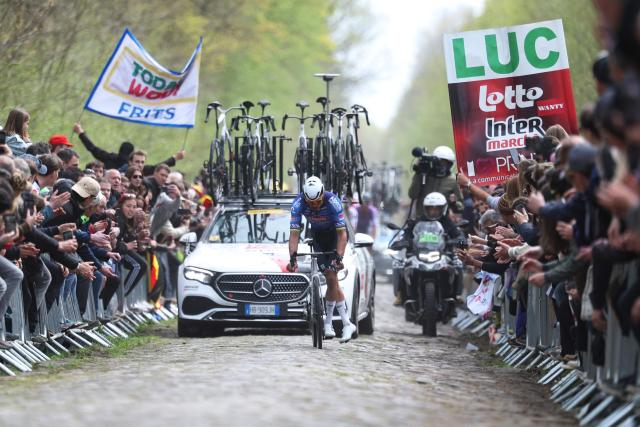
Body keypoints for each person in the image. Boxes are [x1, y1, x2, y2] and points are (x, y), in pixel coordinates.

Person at [287, 176, 356, 343]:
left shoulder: (333, 201)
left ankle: (339, 323)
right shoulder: (298, 204)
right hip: (318, 236)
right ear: (305, 197)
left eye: (317, 202)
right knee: (330, 278)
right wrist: (292, 258)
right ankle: (333, 323)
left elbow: (342, 234)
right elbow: (294, 235)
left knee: (332, 276)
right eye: (310, 203)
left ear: (322, 194)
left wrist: (339, 256)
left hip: (335, 235)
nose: (314, 206)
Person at [408, 145, 462, 218]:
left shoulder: (453, 181)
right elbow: (412, 195)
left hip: (442, 221)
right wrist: (418, 173)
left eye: (445, 164)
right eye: (439, 163)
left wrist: (454, 203)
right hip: (421, 219)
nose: (441, 166)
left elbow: (461, 206)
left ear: (450, 165)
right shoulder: (424, 176)